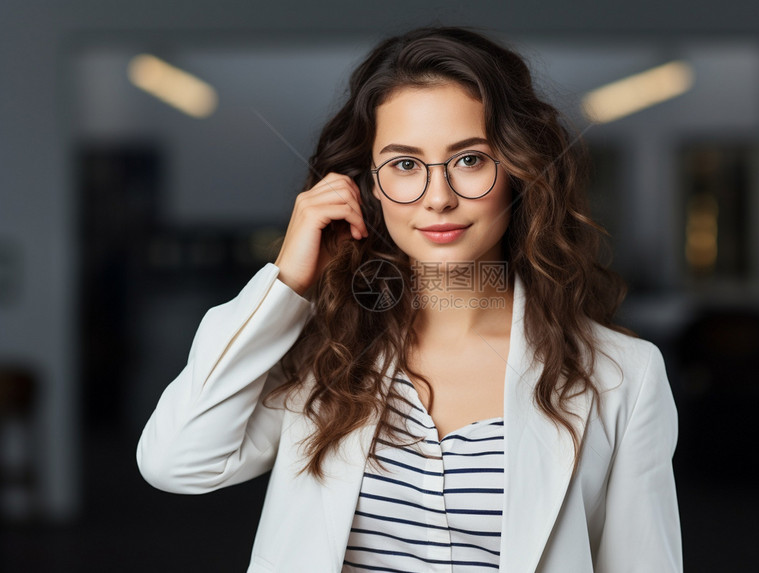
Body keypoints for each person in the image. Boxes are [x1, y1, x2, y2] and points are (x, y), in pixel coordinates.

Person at [136, 25, 682, 572]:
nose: (438, 197)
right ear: (368, 185)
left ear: (518, 170)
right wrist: (287, 281)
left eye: (470, 159)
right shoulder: (323, 358)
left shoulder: (623, 377)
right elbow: (176, 461)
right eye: (404, 164)